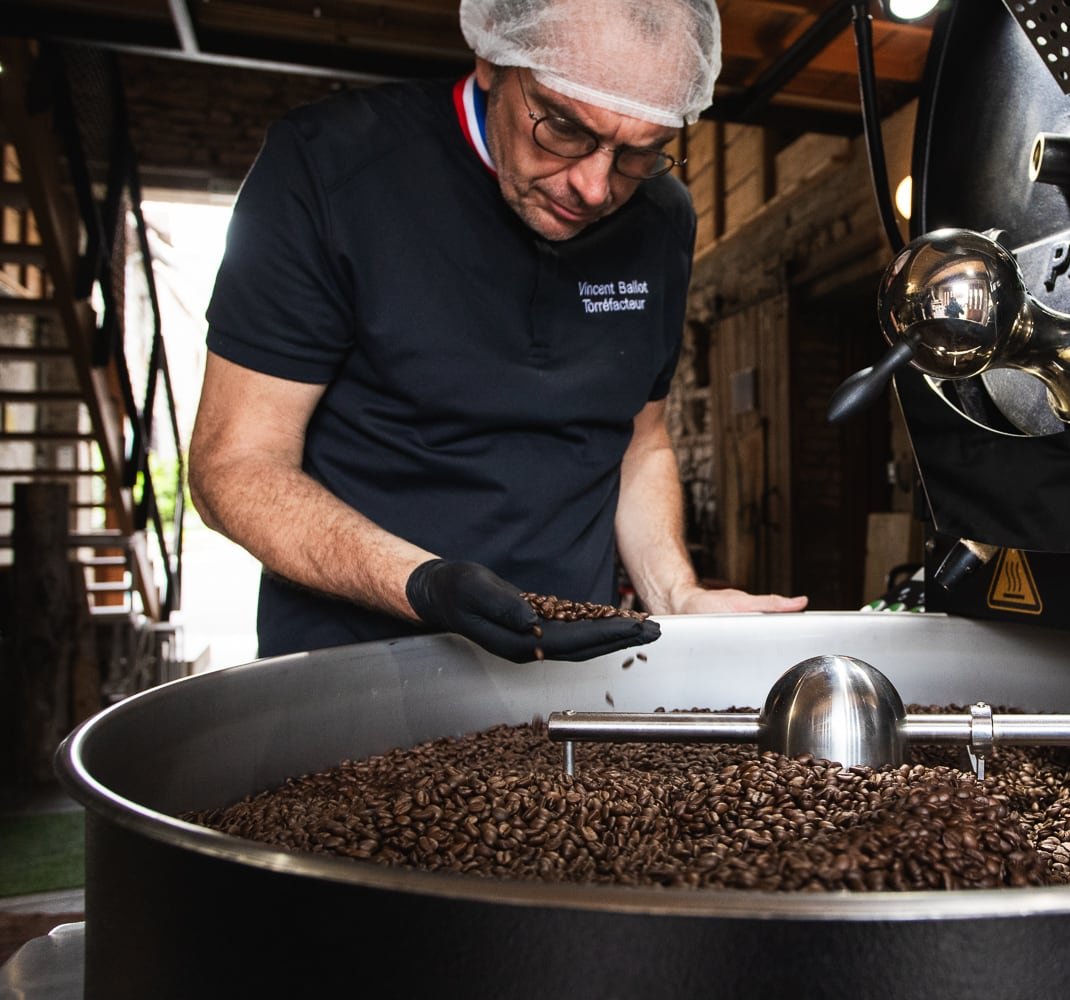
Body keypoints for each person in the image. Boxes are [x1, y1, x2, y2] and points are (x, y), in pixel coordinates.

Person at [188, 0, 807, 664]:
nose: (595, 188)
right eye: (564, 128)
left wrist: (676, 593)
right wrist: (422, 584)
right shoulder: (328, 169)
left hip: (573, 666)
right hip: (356, 662)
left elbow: (639, 444)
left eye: (639, 152)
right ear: (491, 58)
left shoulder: (662, 218)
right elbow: (235, 466)